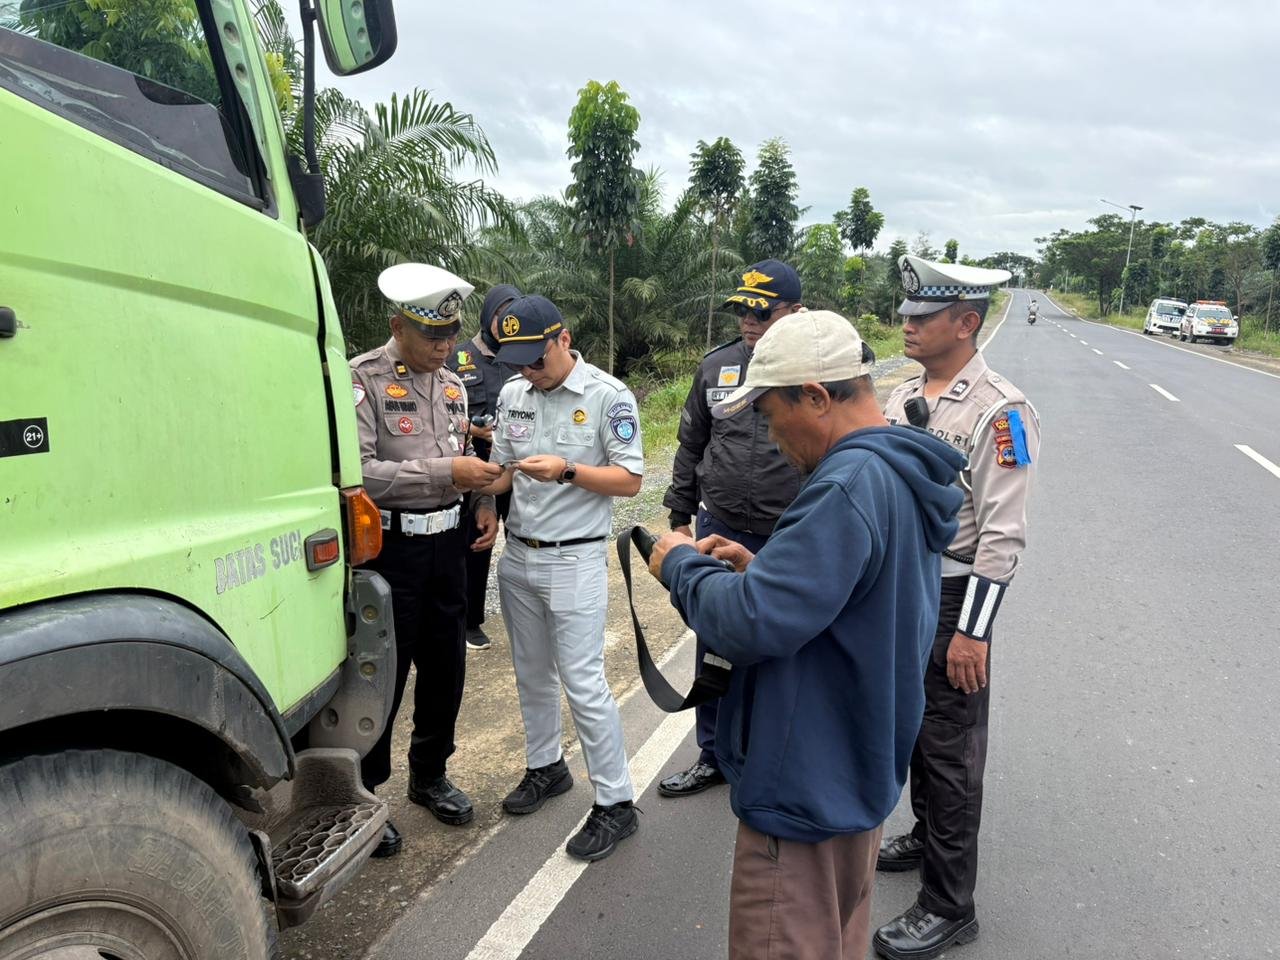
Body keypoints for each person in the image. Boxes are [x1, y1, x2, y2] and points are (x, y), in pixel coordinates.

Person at [647, 310, 966, 960]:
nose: (769, 433)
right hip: (854, 773)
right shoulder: (894, 473)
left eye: (768, 413)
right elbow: (853, 605)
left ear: (816, 397)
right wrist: (762, 570)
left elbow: (747, 624)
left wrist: (676, 564)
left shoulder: (846, 486)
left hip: (804, 792)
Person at [874, 255, 1041, 960]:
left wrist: (971, 634)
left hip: (952, 598)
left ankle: (950, 905)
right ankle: (922, 833)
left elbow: (1002, 537)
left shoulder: (1002, 412)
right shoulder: (902, 393)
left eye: (922, 316)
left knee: (949, 753)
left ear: (966, 322)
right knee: (912, 729)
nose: (906, 326)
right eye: (906, 315)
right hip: (903, 590)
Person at [482, 295, 645, 862]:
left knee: (583, 681)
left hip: (574, 559)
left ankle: (616, 803)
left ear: (564, 340)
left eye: (536, 358)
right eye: (517, 361)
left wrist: (568, 470)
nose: (528, 370)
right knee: (531, 674)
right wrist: (481, 488)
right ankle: (546, 766)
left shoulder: (608, 396)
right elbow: (502, 474)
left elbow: (629, 481)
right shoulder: (512, 395)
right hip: (519, 555)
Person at [349, 263, 503, 859]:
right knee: (384, 673)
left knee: (446, 667)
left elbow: (467, 452)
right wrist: (448, 473)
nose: (444, 348)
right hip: (393, 550)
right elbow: (357, 473)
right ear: (397, 327)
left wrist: (484, 498)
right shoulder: (362, 380)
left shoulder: (455, 386)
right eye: (431, 336)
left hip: (450, 543)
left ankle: (429, 774)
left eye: (449, 336)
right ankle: (367, 795)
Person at [657, 259, 805, 799]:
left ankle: (775, 757)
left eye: (762, 311)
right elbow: (691, 445)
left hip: (785, 529)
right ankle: (713, 752)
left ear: (795, 312)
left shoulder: (815, 373)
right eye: (743, 309)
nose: (750, 320)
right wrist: (679, 512)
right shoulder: (716, 367)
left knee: (782, 643)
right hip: (718, 522)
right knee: (716, 638)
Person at [447, 283, 522, 651]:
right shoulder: (458, 357)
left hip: (517, 466)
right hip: (474, 461)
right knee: (477, 541)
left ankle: (526, 611)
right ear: (488, 314)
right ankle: (470, 620)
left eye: (512, 315)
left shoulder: (523, 356)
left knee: (524, 534)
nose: (505, 323)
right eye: (500, 314)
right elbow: (443, 407)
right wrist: (471, 428)